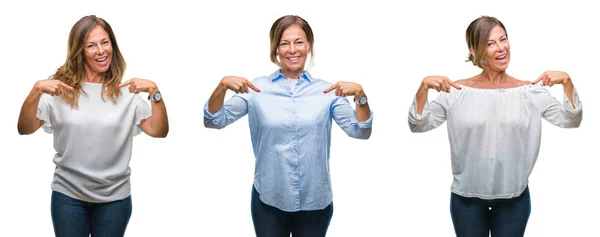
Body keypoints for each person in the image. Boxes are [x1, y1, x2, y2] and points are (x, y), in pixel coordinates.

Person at [407, 16, 582, 237]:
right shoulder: (456, 92)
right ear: (474, 49)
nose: (501, 48)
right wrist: (423, 89)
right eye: (491, 43)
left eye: (503, 39)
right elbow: (418, 124)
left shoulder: (529, 92)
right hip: (466, 200)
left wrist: (567, 82)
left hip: (514, 200)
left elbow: (571, 119)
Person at [204, 15, 373, 237]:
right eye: (284, 43)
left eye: (299, 42)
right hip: (269, 199)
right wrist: (222, 87)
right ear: (276, 50)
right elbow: (213, 120)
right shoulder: (256, 90)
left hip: (315, 201)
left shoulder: (328, 92)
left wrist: (361, 97)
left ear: (309, 46)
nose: (292, 50)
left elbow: (361, 130)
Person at [17, 15, 169, 237]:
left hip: (114, 200)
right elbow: (24, 128)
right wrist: (36, 90)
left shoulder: (127, 93)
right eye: (91, 45)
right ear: (80, 51)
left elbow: (159, 131)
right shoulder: (59, 91)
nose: (101, 51)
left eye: (105, 42)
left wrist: (155, 93)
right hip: (67, 197)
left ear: (112, 46)